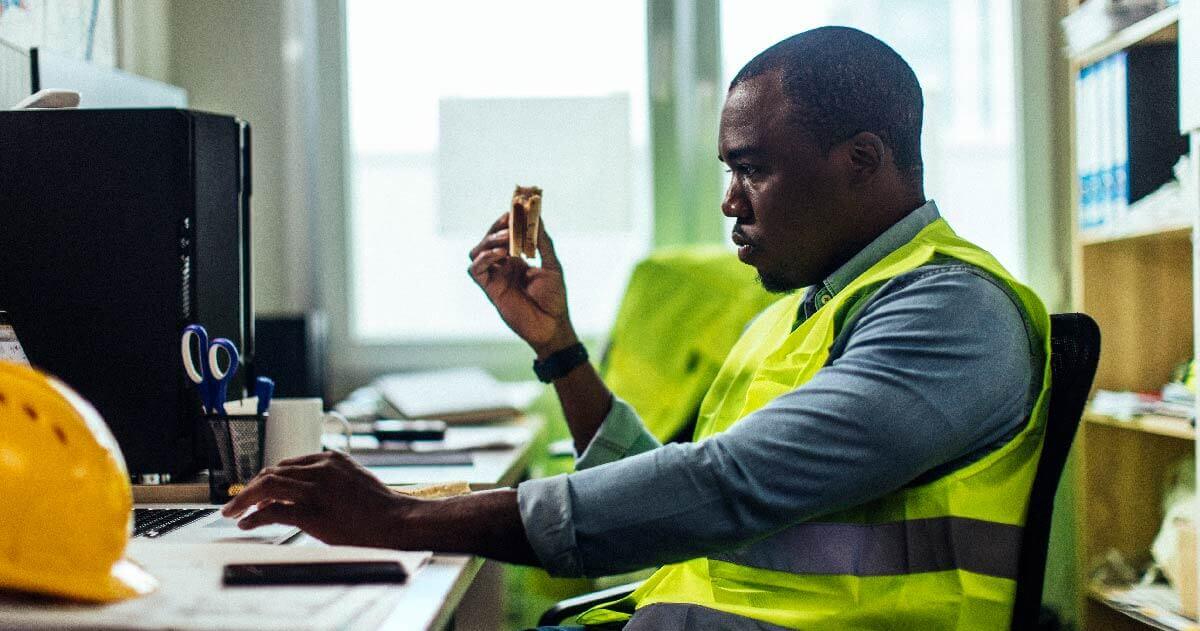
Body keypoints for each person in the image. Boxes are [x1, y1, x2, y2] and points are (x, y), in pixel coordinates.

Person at [224, 26, 1050, 630]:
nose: (730, 200)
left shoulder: (950, 311)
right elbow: (674, 486)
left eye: (752, 168)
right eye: (730, 170)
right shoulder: (798, 314)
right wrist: (561, 350)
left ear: (862, 162)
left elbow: (725, 486)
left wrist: (400, 520)